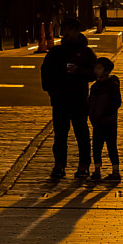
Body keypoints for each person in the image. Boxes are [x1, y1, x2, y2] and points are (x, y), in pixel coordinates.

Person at [40, 13, 96, 182]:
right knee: (60, 135)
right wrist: (52, 91)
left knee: (82, 133)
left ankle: (84, 165)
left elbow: (94, 73)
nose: (67, 33)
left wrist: (79, 71)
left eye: (70, 30)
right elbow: (45, 72)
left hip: (78, 99)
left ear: (77, 31)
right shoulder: (56, 52)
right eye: (65, 30)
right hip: (60, 99)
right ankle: (59, 165)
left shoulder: (86, 52)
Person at [87, 55, 122, 184]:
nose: (96, 70)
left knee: (111, 146)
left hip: (109, 121)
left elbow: (116, 102)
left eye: (99, 68)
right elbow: (90, 102)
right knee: (96, 146)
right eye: (95, 68)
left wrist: (106, 113)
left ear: (106, 71)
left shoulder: (112, 85)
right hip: (97, 121)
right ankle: (97, 170)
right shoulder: (95, 87)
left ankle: (115, 171)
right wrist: (91, 114)